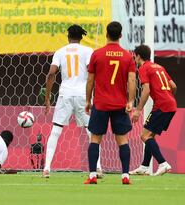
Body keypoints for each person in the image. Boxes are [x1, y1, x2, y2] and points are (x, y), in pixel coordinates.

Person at [42, 24, 102, 178]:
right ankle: (98, 168)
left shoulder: (60, 52)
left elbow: (51, 74)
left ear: (68, 36)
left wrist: (47, 98)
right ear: (81, 37)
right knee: (91, 132)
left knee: (56, 130)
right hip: (83, 95)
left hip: (65, 95)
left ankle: (47, 168)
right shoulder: (88, 51)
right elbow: (92, 73)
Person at [84, 21, 136, 184]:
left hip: (100, 104)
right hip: (119, 104)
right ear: (120, 36)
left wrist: (87, 100)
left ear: (106, 34)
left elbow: (90, 80)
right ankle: (125, 175)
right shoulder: (128, 56)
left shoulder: (97, 54)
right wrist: (131, 101)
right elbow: (132, 80)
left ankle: (92, 175)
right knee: (123, 140)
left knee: (95, 139)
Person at [130, 45, 176, 176]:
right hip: (170, 104)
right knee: (150, 136)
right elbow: (173, 86)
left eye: (135, 56)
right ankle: (144, 166)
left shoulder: (143, 68)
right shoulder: (159, 67)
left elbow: (146, 90)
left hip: (162, 105)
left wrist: (138, 110)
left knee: (144, 136)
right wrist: (168, 96)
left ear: (138, 56)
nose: (134, 58)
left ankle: (163, 163)